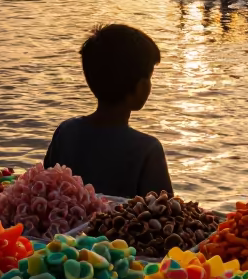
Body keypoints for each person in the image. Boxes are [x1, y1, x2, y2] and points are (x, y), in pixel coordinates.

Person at [45, 24, 173, 197]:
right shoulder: (148, 150)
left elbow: (45, 187)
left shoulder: (66, 132)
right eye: (149, 78)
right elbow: (167, 213)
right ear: (141, 87)